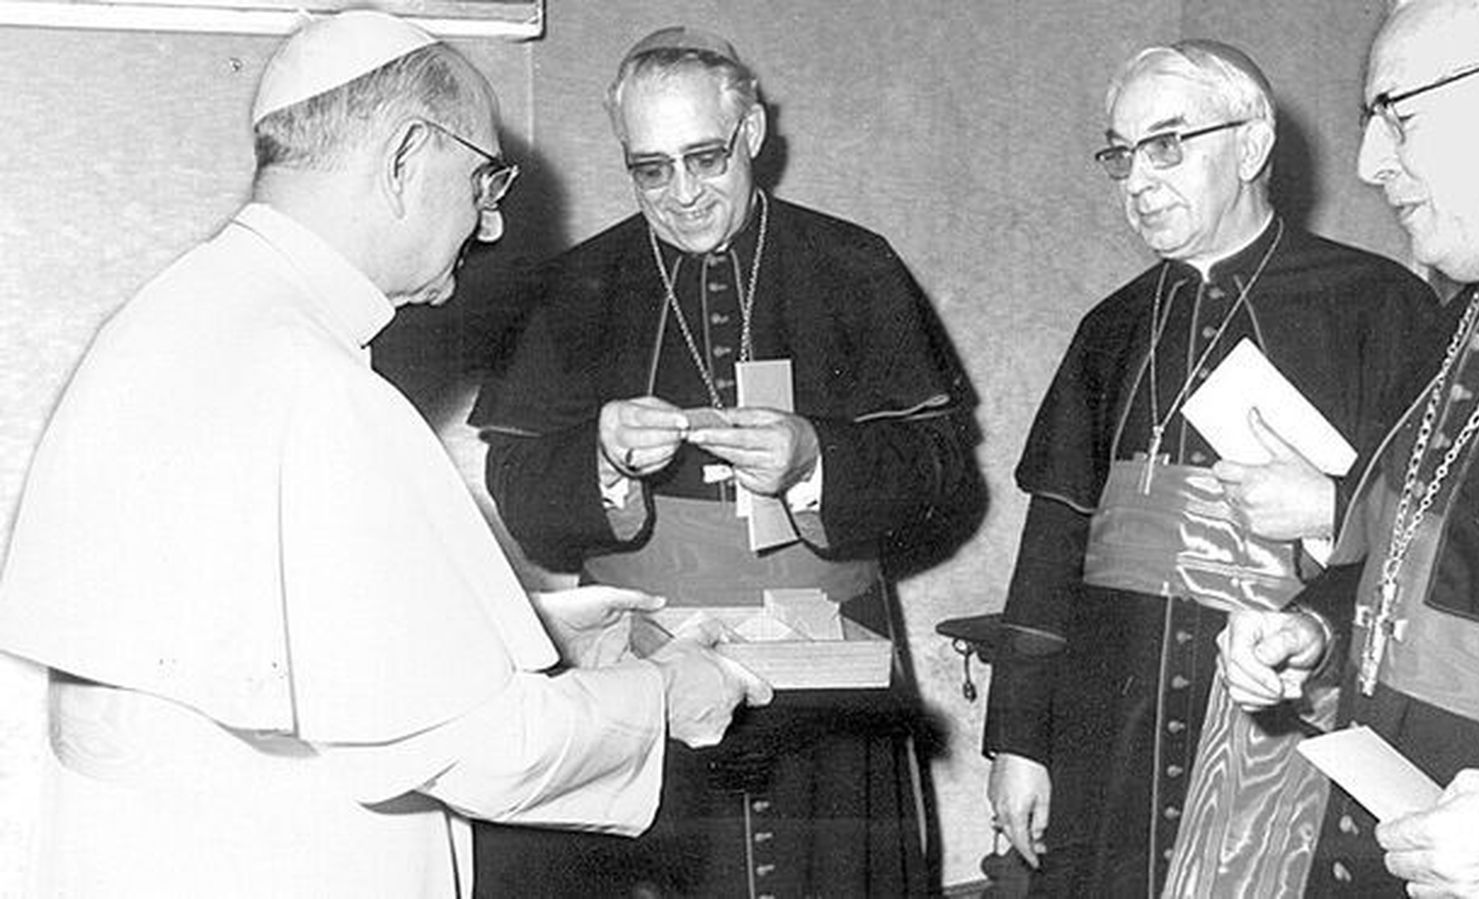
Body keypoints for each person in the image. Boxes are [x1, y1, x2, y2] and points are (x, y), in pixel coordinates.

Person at [0, 12, 769, 898]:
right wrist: (666, 697)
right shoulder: (319, 385)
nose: (487, 226)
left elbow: (306, 652)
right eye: (484, 182)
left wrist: (528, 636)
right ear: (407, 158)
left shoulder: (174, 319)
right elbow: (485, 750)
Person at [467, 25, 978, 898]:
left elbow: (945, 479)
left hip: (828, 692)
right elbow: (518, 489)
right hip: (646, 684)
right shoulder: (575, 285)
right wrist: (604, 461)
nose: (682, 193)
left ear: (750, 135)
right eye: (651, 169)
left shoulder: (853, 264)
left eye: (705, 157)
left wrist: (820, 457)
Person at [982, 39, 1449, 896]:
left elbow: (1435, 523)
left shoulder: (1379, 304)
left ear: (1253, 146)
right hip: (1112, 717)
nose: (1137, 180)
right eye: (1120, 155)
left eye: (1167, 144)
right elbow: (1052, 542)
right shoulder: (1109, 329)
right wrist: (1018, 736)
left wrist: (1331, 505)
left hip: (1287, 697)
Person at [1219, 0, 1479, 894]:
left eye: (1400, 114)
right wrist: (1314, 626)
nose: (1367, 164)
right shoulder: (1463, 312)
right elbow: (1412, 559)